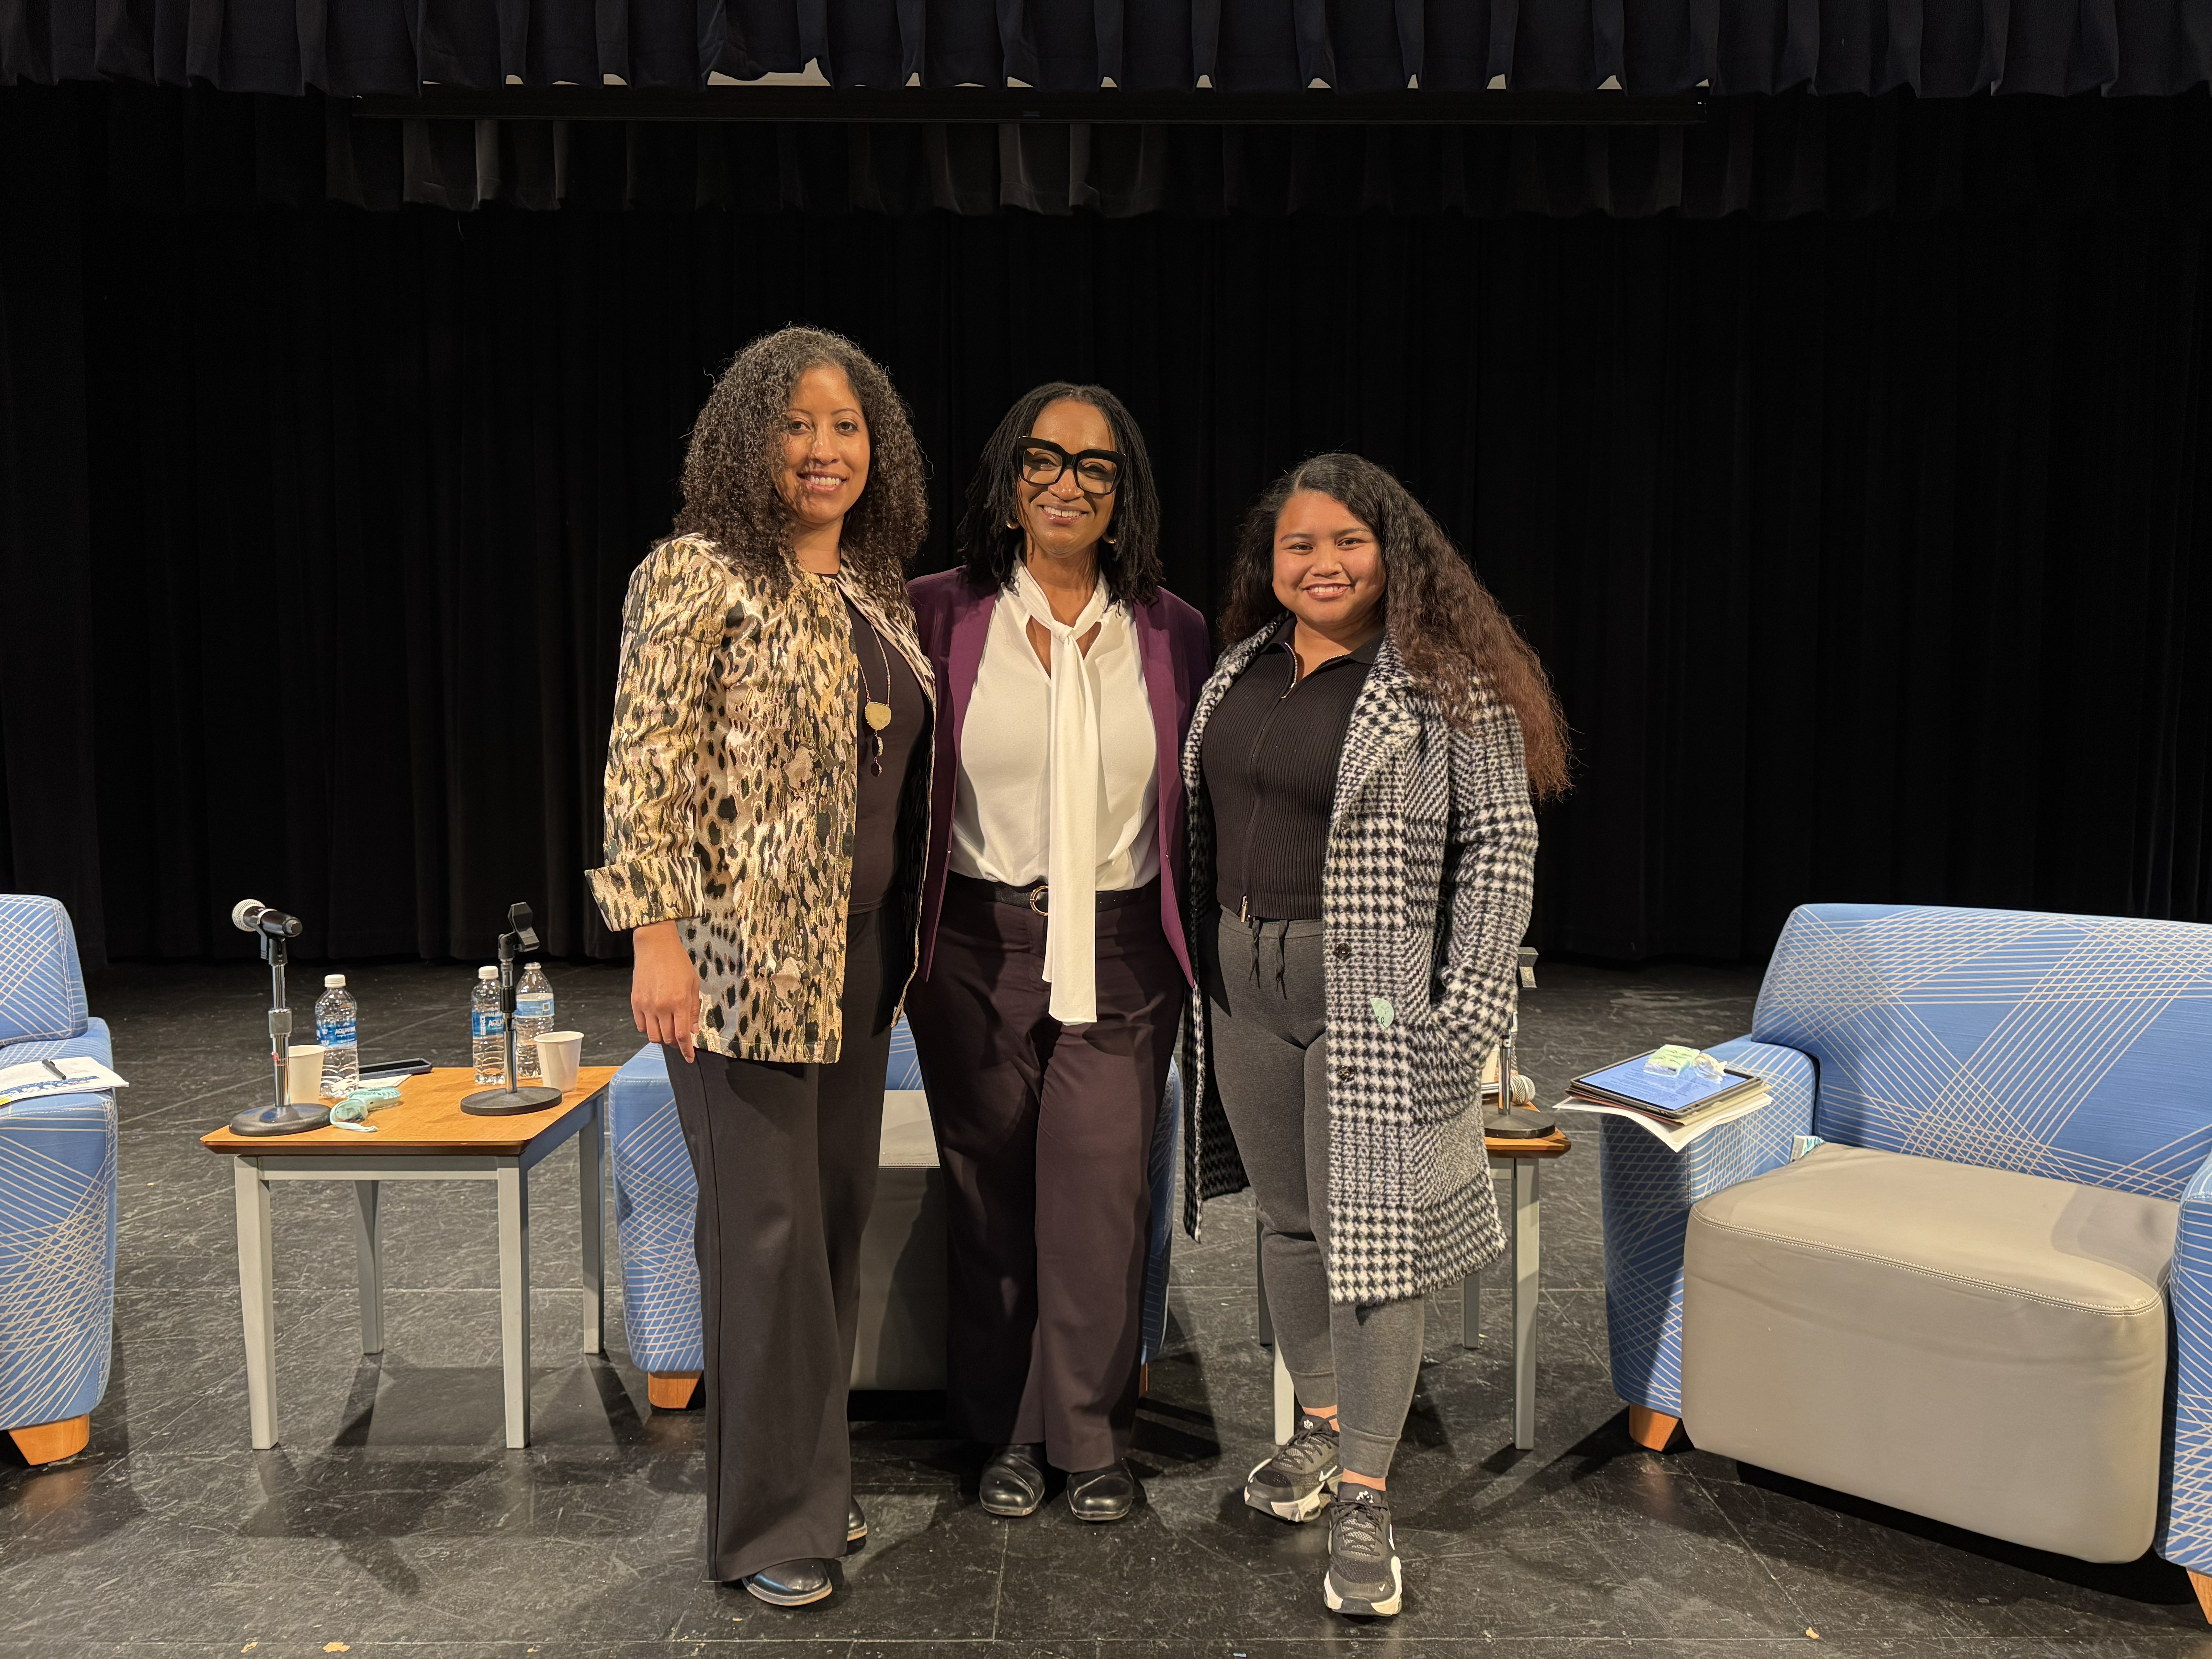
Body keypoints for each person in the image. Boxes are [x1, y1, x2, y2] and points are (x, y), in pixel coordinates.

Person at [1182, 453, 1568, 1617]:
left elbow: (1501, 842)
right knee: (1292, 1223)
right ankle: (1320, 1427)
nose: (1324, 563)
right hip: (1244, 990)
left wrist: (1472, 1007)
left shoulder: (1442, 683)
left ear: (1390, 552)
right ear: (1271, 561)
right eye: (1299, 544)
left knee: (1374, 1237)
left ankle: (1364, 1491)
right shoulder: (1243, 668)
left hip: (1374, 999)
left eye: (1347, 541)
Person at [587, 326, 934, 1607]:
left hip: (859, 960)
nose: (823, 449)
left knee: (829, 1224)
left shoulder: (878, 590)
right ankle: (769, 1524)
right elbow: (646, 763)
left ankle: (811, 1481)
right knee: (765, 1235)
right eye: (796, 424)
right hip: (737, 961)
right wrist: (656, 934)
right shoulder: (697, 572)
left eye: (846, 426)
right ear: (748, 439)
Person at [905, 383, 1212, 1524]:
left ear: (1124, 495)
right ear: (1008, 483)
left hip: (1123, 947)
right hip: (976, 941)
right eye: (1043, 460)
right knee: (987, 1192)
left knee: (1099, 1190)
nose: (1067, 483)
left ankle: (1088, 1437)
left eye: (1095, 466)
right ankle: (1002, 1432)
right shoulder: (938, 613)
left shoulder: (1172, 630)